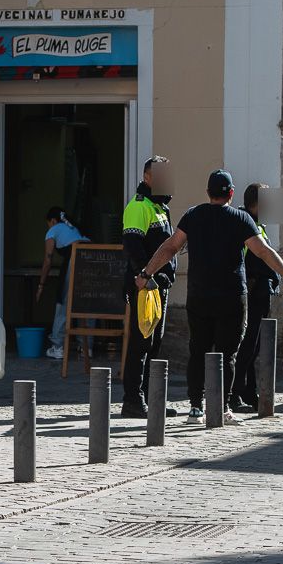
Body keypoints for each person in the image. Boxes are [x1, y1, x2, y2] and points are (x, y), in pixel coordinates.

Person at [134, 170, 283, 423]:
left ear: (208, 193)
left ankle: (195, 407)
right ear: (231, 193)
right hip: (232, 296)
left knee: (198, 350)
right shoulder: (241, 219)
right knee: (228, 354)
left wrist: (145, 273)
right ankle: (223, 407)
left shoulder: (193, 215)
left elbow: (170, 247)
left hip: (199, 295)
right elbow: (262, 251)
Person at [120, 156, 177, 418]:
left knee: (155, 343)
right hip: (145, 285)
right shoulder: (139, 206)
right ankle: (133, 400)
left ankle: (152, 398)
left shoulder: (160, 207)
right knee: (141, 343)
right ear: (147, 178)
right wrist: (146, 275)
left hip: (159, 285)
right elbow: (132, 246)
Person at [229, 182, 279, 412]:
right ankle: (234, 393)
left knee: (254, 346)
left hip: (261, 292)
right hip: (251, 292)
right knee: (247, 345)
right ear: (256, 204)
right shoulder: (244, 224)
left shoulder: (259, 224)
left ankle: (248, 390)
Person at [34, 206, 89, 360]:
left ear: (52, 220)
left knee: (64, 301)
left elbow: (47, 260)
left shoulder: (54, 229)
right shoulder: (73, 227)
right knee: (88, 300)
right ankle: (87, 347)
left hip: (75, 256)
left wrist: (41, 285)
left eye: (48, 224)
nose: (49, 227)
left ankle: (58, 346)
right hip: (92, 255)